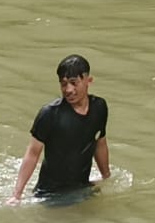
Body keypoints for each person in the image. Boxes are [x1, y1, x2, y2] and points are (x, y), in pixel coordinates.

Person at [8, 54, 110, 204]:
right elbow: (32, 153)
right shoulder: (50, 114)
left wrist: (106, 177)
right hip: (50, 194)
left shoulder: (99, 107)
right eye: (63, 84)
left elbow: (100, 143)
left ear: (88, 81)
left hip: (82, 187)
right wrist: (17, 195)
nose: (68, 89)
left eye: (74, 83)